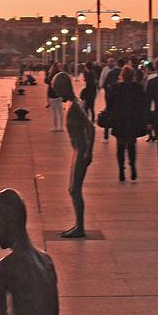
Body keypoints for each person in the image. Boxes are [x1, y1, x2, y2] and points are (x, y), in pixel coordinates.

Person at [53, 71, 94, 238]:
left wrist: (89, 152)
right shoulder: (71, 103)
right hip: (78, 149)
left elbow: (90, 127)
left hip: (82, 150)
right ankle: (78, 224)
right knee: (72, 189)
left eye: (58, 89)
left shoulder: (76, 105)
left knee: (74, 189)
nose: (57, 93)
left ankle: (80, 227)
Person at [106, 64, 148, 181]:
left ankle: (121, 170)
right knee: (131, 144)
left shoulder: (115, 88)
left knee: (120, 145)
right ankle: (133, 166)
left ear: (122, 76)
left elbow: (109, 105)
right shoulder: (138, 88)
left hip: (119, 119)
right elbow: (143, 104)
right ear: (133, 76)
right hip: (133, 119)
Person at [45, 62, 64, 131]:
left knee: (54, 112)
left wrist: (48, 73)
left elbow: (46, 81)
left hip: (52, 95)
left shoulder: (51, 75)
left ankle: (55, 127)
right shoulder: (61, 74)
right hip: (59, 94)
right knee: (60, 112)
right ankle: (61, 126)